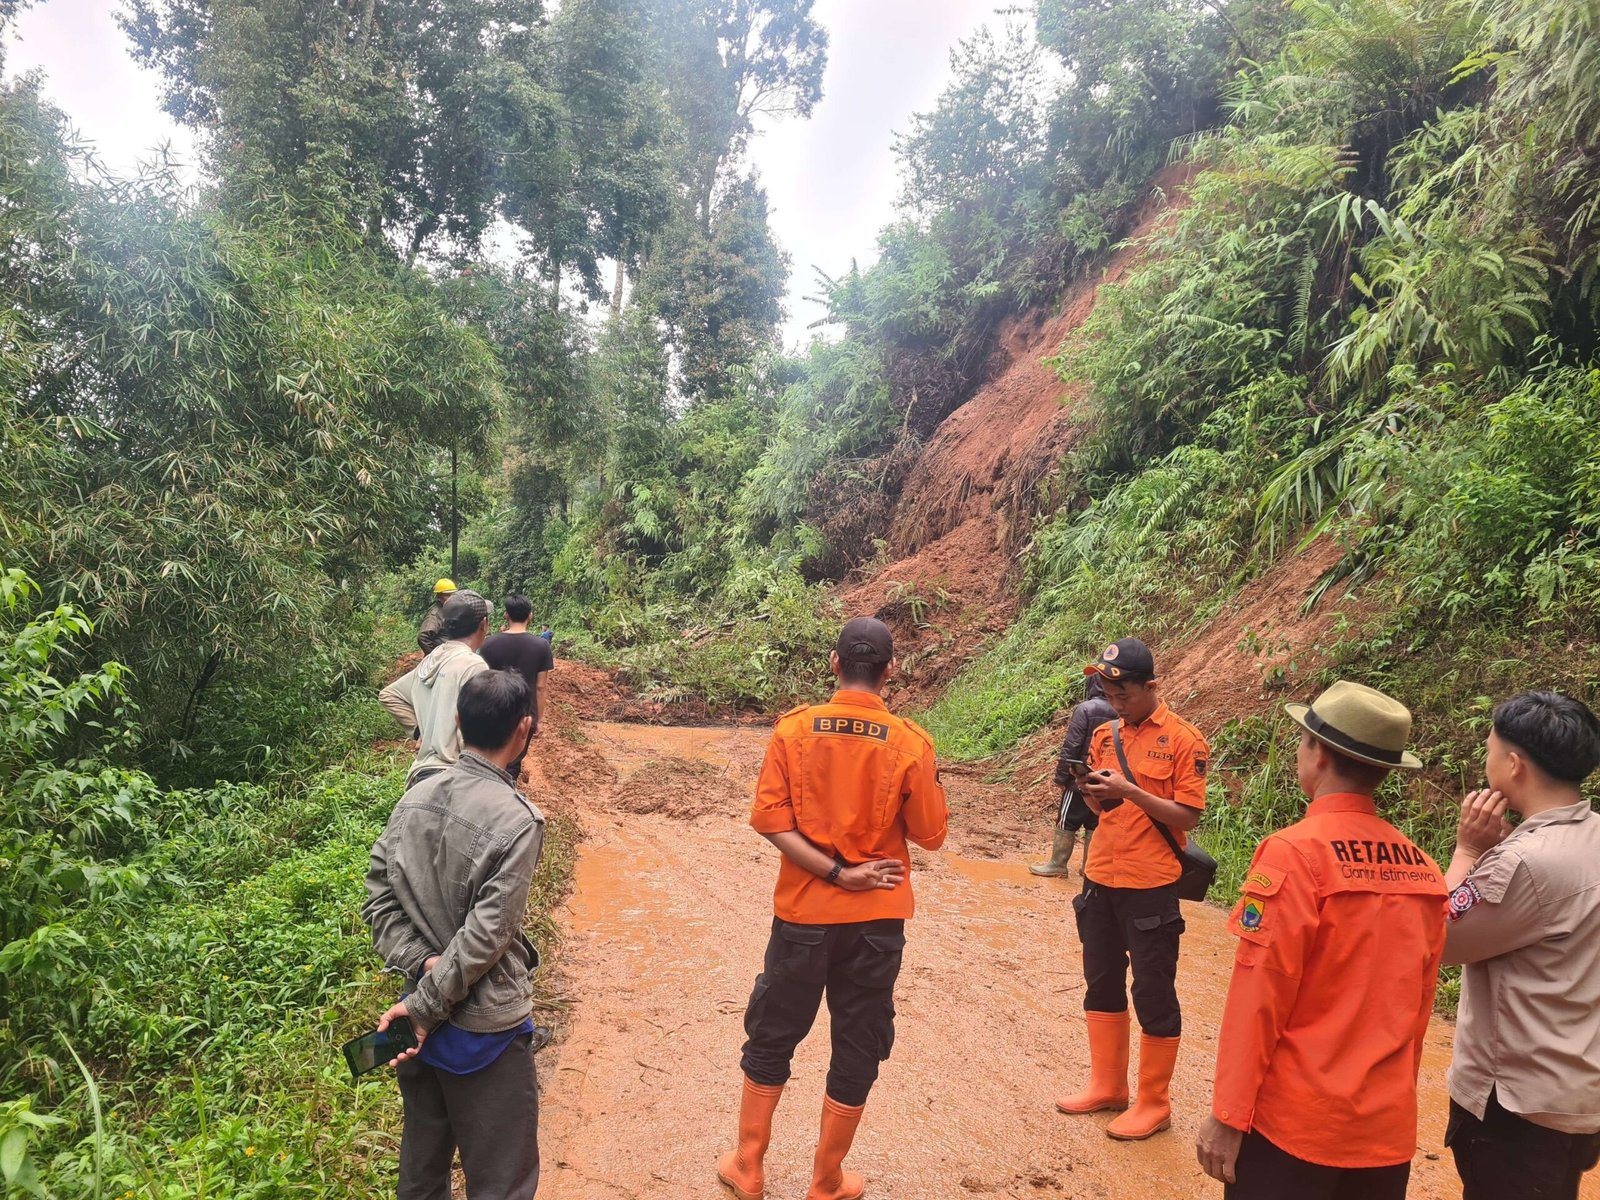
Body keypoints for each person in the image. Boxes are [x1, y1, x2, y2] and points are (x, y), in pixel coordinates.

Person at [716, 617, 947, 1200]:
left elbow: (770, 823)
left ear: (834, 663)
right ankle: (826, 1179)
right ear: (891, 670)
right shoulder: (910, 743)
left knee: (773, 1032)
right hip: (876, 920)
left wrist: (834, 873)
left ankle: (749, 1167)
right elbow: (931, 834)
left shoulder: (793, 731)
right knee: (858, 1037)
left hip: (803, 916)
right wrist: (858, 872)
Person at [1195, 680, 1447, 1197]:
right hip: (1382, 1136)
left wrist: (1229, 1114)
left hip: (1293, 1130)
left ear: (1319, 754)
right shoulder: (1424, 871)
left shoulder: (1294, 854)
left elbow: (1261, 994)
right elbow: (1417, 1013)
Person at [362, 669, 545, 1200]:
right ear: (524, 729)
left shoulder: (414, 797)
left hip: (414, 1018)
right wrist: (425, 1008)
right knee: (501, 1178)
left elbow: (378, 901)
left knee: (422, 1168)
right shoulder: (518, 821)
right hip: (482, 1027)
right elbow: (488, 938)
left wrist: (422, 970)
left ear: (459, 722)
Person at [1440, 691, 1600, 1200]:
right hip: (1575, 1091)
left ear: (1513, 764)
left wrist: (1469, 850)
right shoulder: (1590, 837)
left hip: (1515, 1105)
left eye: (1488, 748)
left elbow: (1438, 938)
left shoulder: (1523, 864)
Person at [1055, 637, 1208, 1141]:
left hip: (1151, 884)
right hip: (1100, 877)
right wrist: (1093, 793)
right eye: (1107, 692)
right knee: (1100, 981)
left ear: (1151, 687)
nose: (1114, 702)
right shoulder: (1103, 735)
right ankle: (1107, 1085)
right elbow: (1105, 814)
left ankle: (1153, 1102)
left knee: (1153, 991)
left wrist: (1131, 791)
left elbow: (1185, 815)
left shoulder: (1187, 741)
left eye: (1123, 695)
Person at [380, 590, 490, 788]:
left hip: (420, 776)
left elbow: (389, 695)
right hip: (453, 776)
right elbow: (473, 729)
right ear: (483, 625)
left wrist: (418, 732)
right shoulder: (473, 665)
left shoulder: (430, 661)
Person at [1031, 674, 1117, 878]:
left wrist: (1062, 777)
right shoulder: (1120, 710)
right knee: (1095, 823)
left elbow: (1072, 745)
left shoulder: (1085, 709)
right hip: (1107, 777)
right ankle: (1089, 868)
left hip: (1080, 776)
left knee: (1066, 821)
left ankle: (1057, 863)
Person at [480, 595, 555, 784]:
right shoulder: (541, 646)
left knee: (492, 756)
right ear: (530, 616)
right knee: (513, 763)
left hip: (494, 709)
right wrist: (539, 719)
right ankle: (506, 795)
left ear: (506, 615)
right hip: (525, 714)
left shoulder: (489, 644)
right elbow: (540, 687)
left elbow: (483, 679)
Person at [417, 578, 457, 655]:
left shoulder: (449, 610)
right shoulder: (435, 615)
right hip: (443, 659)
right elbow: (423, 637)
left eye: (452, 594)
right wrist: (434, 656)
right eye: (447, 595)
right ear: (439, 596)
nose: (451, 597)